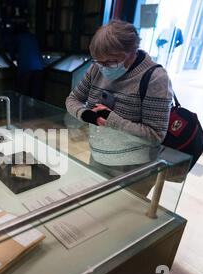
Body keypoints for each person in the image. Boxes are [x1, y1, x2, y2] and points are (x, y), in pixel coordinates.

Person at [66, 20, 173, 196]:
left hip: (133, 168)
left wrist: (112, 119)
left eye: (111, 62)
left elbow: (155, 135)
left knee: (123, 215)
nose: (104, 67)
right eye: (99, 61)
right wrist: (85, 114)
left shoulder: (155, 78)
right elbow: (72, 99)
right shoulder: (97, 68)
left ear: (131, 53)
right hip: (99, 155)